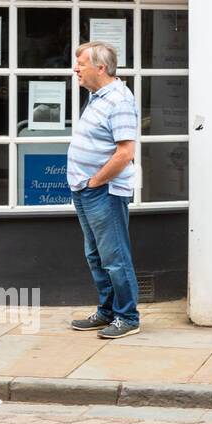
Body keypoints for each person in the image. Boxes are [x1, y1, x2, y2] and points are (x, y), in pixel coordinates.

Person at [66, 41, 142, 339]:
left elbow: (125, 153)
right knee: (95, 255)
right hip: (86, 190)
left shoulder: (119, 101)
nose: (76, 69)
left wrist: (96, 181)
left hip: (104, 192)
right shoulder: (98, 96)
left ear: (100, 67)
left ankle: (128, 317)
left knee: (114, 257)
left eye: (81, 63)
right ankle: (108, 311)